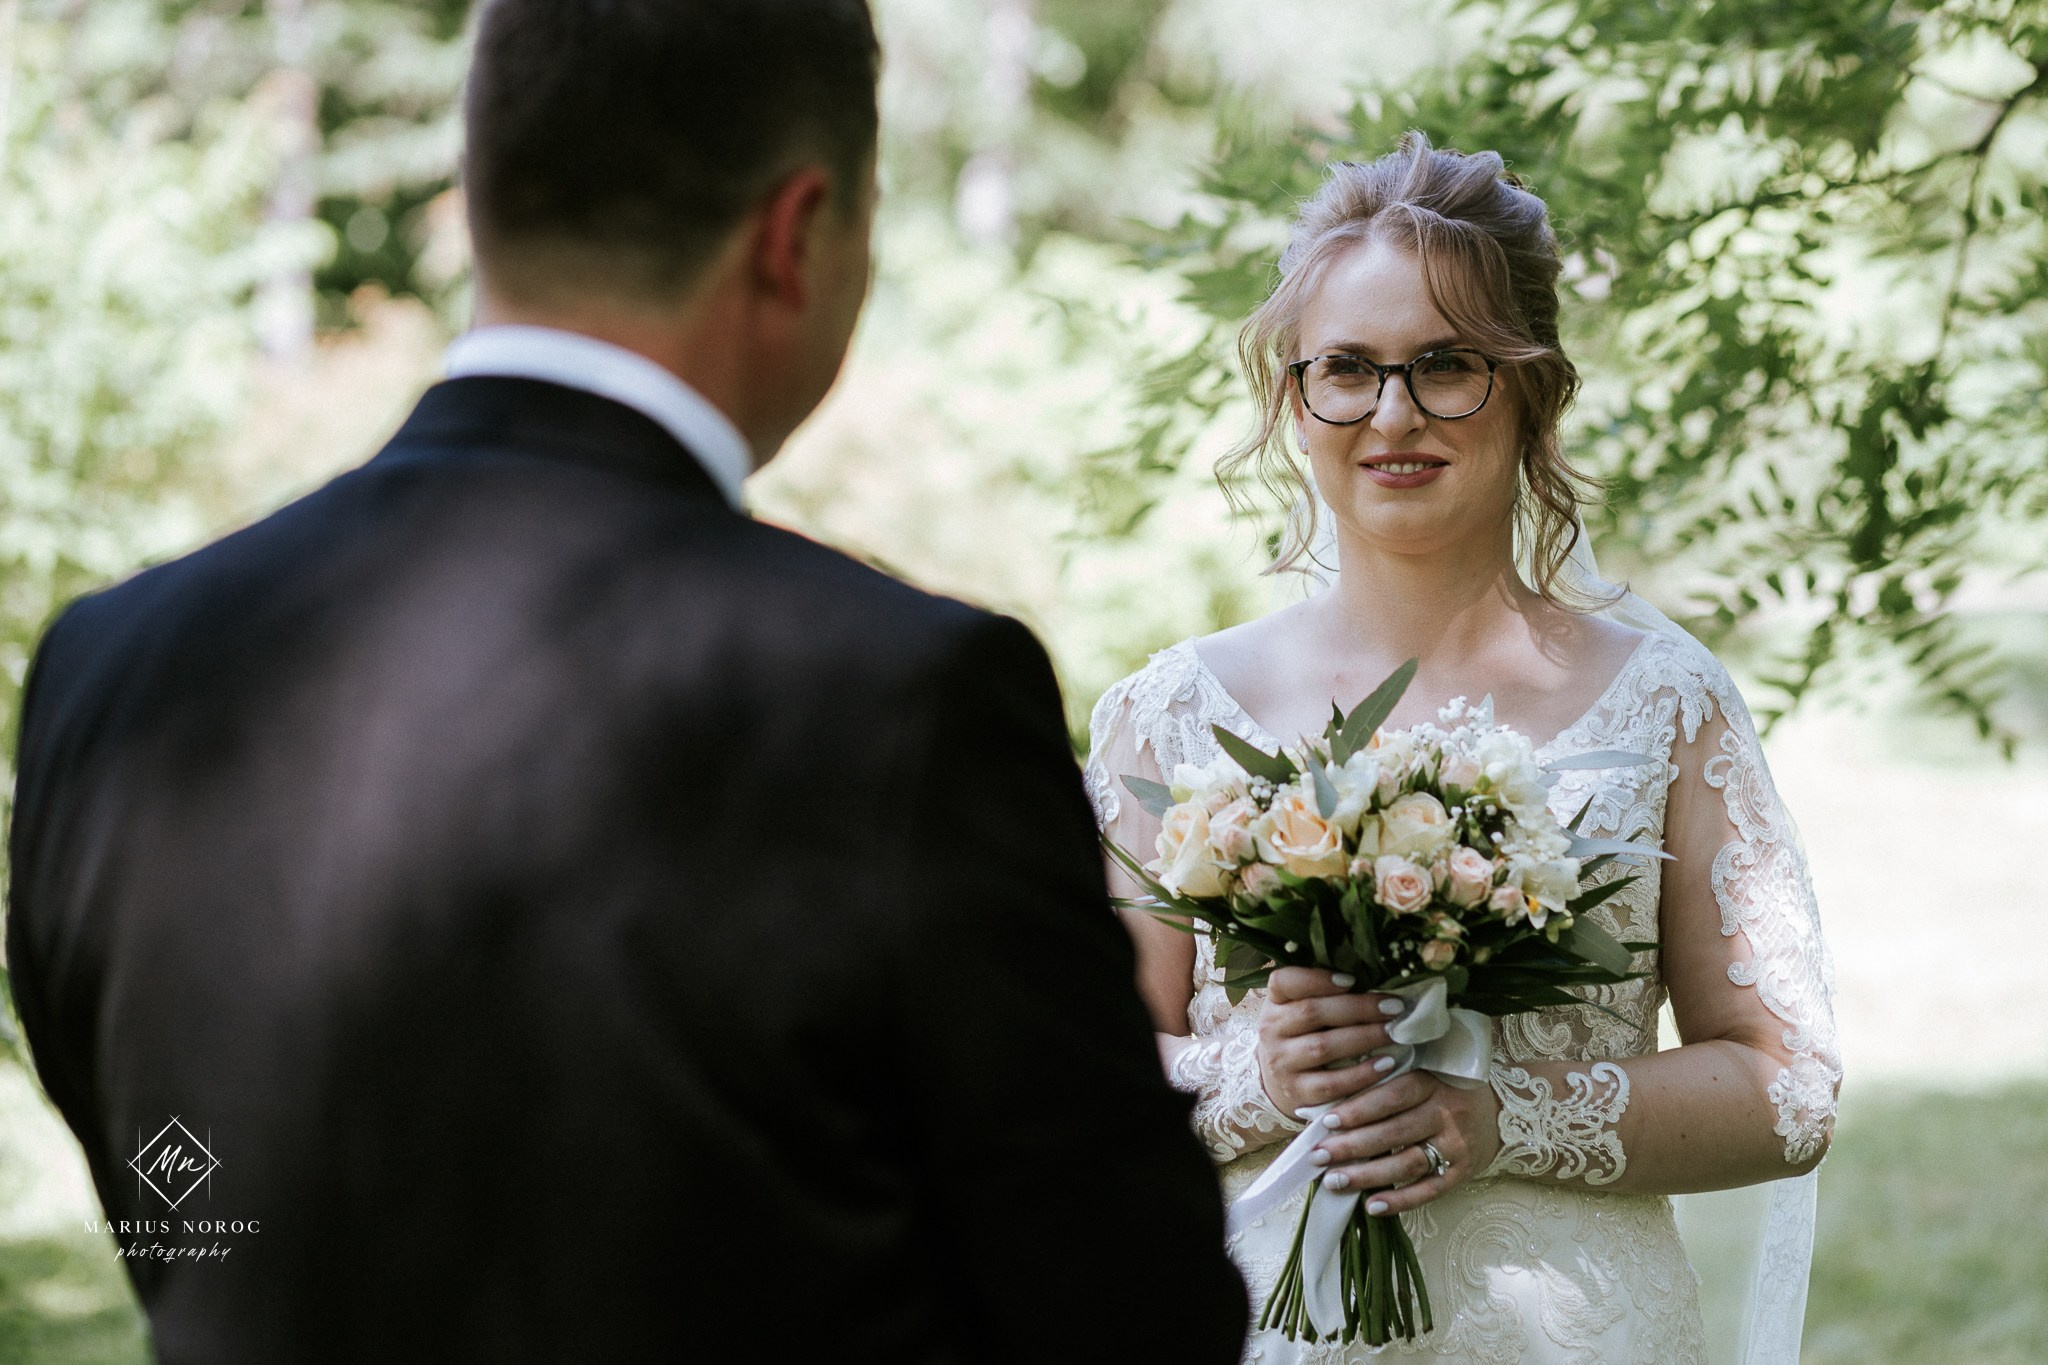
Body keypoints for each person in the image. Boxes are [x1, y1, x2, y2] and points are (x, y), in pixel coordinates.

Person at [3, 2, 1248, 1361]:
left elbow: (178, 1214)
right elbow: (1135, 1309)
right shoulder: (906, 704)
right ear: (799, 231)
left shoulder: (112, 669)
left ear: (477, 196)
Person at [1084, 133, 1841, 1363]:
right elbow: (1066, 1083)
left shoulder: (1662, 703)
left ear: (1532, 387)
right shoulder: (1169, 716)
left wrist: (1496, 1118)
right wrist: (1257, 1079)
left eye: (1447, 366)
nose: (1393, 413)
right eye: (1347, 369)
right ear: (1293, 393)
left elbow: (1785, 1089)